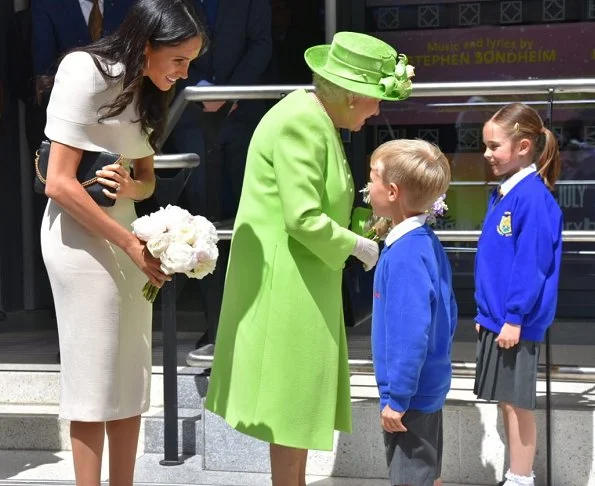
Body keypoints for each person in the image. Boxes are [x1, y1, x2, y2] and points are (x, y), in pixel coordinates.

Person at [205, 31, 414, 486]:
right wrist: (359, 247)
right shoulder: (301, 120)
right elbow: (302, 218)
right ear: (352, 95)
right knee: (291, 407)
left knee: (295, 409)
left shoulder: (315, 117)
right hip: (288, 281)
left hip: (303, 276)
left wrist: (374, 225)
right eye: (375, 98)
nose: (378, 109)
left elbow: (323, 205)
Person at [39, 1, 207, 484]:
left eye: (191, 62)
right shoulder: (85, 71)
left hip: (130, 237)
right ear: (147, 45)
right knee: (93, 379)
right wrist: (130, 244)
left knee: (131, 374)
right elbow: (59, 184)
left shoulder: (148, 89)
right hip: (79, 239)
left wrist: (135, 191)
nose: (184, 72)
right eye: (179, 60)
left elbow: (146, 177)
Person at [474, 103, 563, 486]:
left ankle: (521, 477)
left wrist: (513, 317)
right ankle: (517, 474)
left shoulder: (532, 199)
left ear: (524, 146)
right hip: (500, 319)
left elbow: (532, 265)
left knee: (518, 404)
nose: (486, 154)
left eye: (494, 146)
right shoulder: (505, 193)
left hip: (516, 323)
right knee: (507, 400)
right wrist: (487, 314)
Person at [367, 139, 458, 486]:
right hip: (426, 388)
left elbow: (410, 334)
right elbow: (447, 312)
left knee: (410, 478)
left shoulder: (405, 255)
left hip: (410, 398)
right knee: (425, 475)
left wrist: (397, 398)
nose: (367, 186)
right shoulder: (425, 242)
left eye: (372, 178)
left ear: (392, 192)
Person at [165, 0, 272, 220]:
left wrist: (231, 93)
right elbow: (163, 41)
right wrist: (200, 88)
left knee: (248, 204)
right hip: (189, 110)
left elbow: (261, 44)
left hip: (242, 113)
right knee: (199, 208)